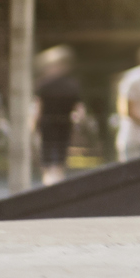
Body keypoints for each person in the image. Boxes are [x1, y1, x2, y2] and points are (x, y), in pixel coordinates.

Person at [33, 45, 82, 186]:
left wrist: (33, 126)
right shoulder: (72, 85)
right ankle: (56, 182)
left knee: (48, 157)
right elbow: (79, 109)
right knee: (58, 157)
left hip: (49, 123)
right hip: (62, 123)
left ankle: (50, 183)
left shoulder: (43, 84)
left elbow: (37, 107)